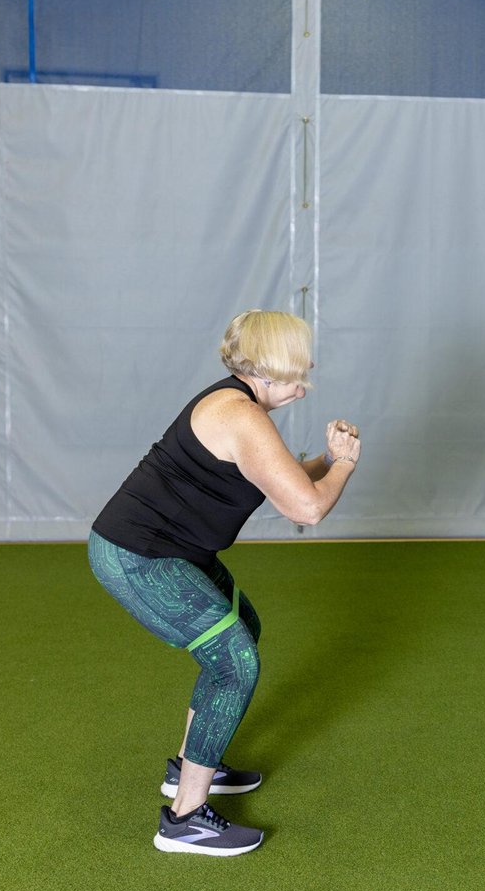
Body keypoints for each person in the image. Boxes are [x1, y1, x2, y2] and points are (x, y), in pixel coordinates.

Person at [88, 309, 361, 856]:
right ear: (263, 370)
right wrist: (345, 466)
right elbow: (306, 509)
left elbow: (277, 472)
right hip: (138, 557)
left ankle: (190, 765)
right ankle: (184, 819)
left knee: (243, 629)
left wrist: (325, 460)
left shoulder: (239, 405)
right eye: (295, 377)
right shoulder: (241, 416)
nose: (304, 388)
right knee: (234, 660)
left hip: (177, 551)